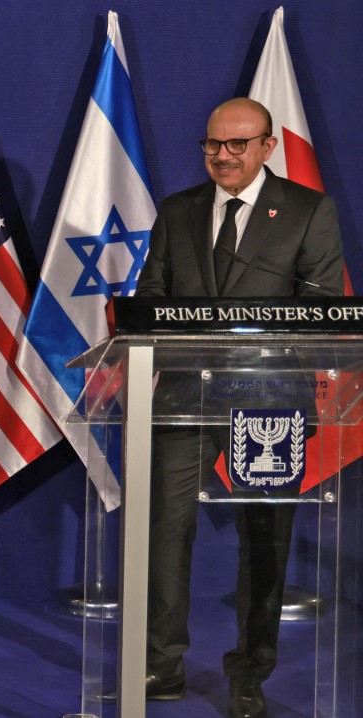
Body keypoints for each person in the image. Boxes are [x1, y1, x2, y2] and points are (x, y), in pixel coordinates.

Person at [135, 97, 343, 718]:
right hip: (183, 396)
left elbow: (322, 305)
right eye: (211, 146)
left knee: (264, 540)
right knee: (164, 534)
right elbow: (152, 293)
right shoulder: (178, 210)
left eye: (236, 145)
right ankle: (160, 665)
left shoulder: (308, 211)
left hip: (269, 400)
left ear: (267, 147)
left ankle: (250, 673)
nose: (221, 156)